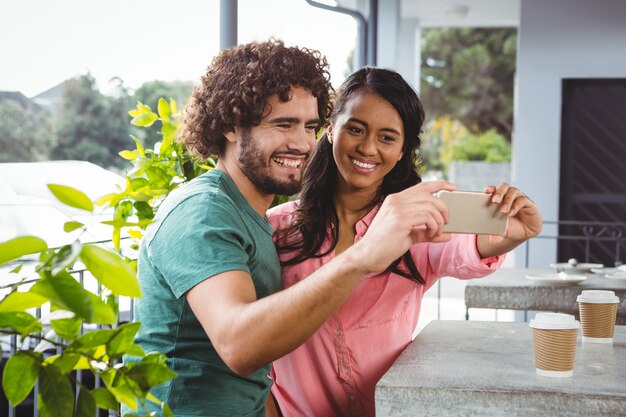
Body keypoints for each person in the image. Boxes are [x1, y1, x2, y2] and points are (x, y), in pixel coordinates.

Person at [126, 41, 467, 417]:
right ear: (230, 125)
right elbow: (239, 345)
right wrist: (362, 257)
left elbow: (257, 374)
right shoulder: (202, 211)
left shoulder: (250, 216)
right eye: (283, 124)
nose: (303, 143)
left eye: (309, 126)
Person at [268, 67, 543, 417]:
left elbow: (466, 249)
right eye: (355, 129)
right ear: (330, 129)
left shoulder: (413, 226)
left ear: (401, 151)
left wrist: (509, 234)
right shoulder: (276, 229)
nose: (368, 148)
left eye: (387, 137)